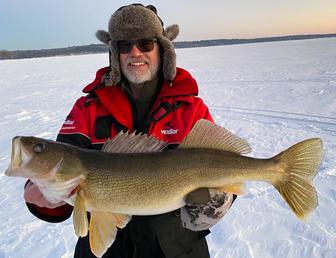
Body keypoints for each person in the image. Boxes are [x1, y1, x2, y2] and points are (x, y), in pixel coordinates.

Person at [24, 4, 236, 258]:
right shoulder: (88, 108)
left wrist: (219, 202)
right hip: (107, 251)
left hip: (178, 249)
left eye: (145, 43)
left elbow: (227, 168)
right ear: (115, 53)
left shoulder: (190, 109)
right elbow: (63, 164)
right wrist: (44, 195)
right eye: (125, 45)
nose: (135, 52)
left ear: (162, 49)